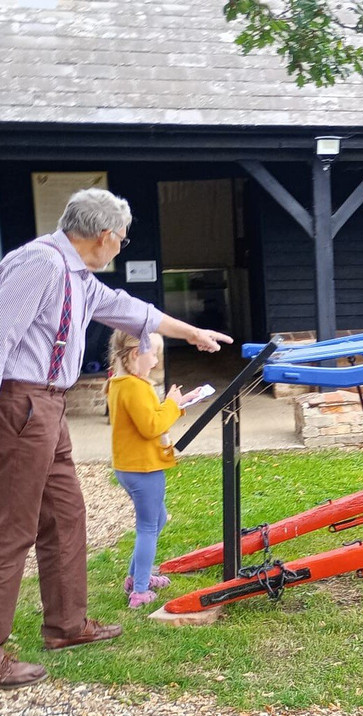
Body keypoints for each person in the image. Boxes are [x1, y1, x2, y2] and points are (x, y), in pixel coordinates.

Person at [0, 188, 231, 690]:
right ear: (105, 235)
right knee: (12, 528)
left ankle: (66, 625)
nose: (121, 247)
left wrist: (191, 332)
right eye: (122, 240)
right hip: (22, 404)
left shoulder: (78, 277)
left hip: (51, 405)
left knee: (66, 517)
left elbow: (132, 310)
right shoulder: (38, 264)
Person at [108, 331, 199, 609]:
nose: (157, 361)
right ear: (136, 354)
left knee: (157, 520)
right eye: (154, 354)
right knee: (148, 527)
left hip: (130, 467)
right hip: (144, 469)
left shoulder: (121, 383)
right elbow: (152, 427)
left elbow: (147, 418)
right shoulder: (136, 387)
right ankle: (140, 591)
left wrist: (177, 405)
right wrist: (171, 404)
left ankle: (137, 576)